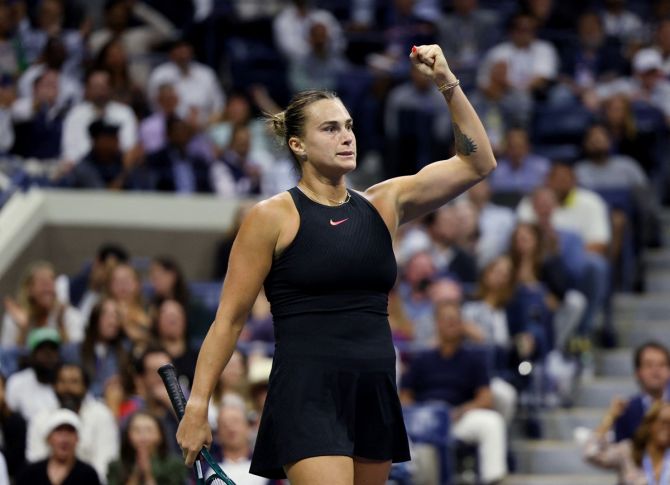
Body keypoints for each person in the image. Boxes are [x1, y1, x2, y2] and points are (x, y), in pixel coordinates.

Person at [176, 44, 496, 484]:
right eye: (330, 129)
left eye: (348, 126)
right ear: (298, 145)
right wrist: (197, 406)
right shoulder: (271, 216)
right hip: (307, 394)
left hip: (373, 390)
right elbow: (228, 321)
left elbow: (478, 162)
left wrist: (445, 79)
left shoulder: (385, 203)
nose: (347, 136)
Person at [26, 363, 120, 482]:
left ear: (85, 387)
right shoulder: (41, 418)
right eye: (62, 382)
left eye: (74, 382)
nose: (67, 388)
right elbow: (35, 460)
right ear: (54, 386)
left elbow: (105, 463)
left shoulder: (101, 415)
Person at [584, 399, 670, 485]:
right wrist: (610, 417)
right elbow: (591, 453)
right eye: (663, 422)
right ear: (650, 424)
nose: (667, 429)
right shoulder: (628, 451)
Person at [16, 408, 100, 485]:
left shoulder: (88, 475)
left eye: (70, 432)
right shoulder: (30, 474)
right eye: (59, 432)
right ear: (49, 438)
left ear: (77, 439)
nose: (64, 440)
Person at [107, 411, 187, 485]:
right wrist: (136, 473)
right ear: (128, 435)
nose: (143, 437)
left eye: (149, 430)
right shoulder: (116, 466)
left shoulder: (174, 465)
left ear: (160, 435)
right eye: (136, 431)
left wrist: (148, 475)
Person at [614, 342, 670, 442]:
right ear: (638, 372)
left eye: (662, 365)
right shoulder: (626, 410)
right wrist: (609, 417)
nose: (656, 370)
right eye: (649, 365)